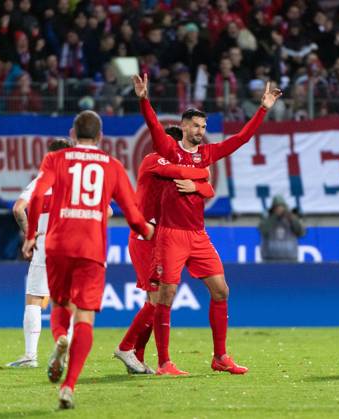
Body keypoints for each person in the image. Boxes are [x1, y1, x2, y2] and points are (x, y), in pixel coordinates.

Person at [133, 72, 281, 375]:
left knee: (221, 290)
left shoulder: (207, 154)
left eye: (204, 127)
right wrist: (143, 99)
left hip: (198, 235)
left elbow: (241, 139)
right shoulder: (168, 151)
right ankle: (164, 362)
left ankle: (220, 356)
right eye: (196, 126)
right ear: (184, 126)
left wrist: (263, 109)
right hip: (170, 235)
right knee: (166, 296)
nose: (201, 131)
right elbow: (153, 126)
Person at [22, 110, 153, 409]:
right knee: (85, 317)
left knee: (59, 306)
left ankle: (59, 341)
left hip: (56, 245)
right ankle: (69, 385)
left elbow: (39, 195)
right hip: (91, 248)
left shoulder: (56, 159)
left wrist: (31, 234)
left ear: (72, 134)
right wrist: (147, 231)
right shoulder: (112, 165)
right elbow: (132, 214)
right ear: (101, 136)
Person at [113, 126, 214, 374]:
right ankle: (126, 347)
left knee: (155, 301)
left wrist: (201, 181)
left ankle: (136, 355)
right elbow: (180, 171)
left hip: (159, 236)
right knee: (157, 299)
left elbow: (208, 190)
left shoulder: (173, 165)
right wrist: (202, 172)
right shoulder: (154, 159)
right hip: (144, 235)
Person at [6, 138, 71, 368]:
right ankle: (67, 353)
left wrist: (29, 235)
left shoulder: (42, 181)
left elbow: (18, 208)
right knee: (67, 301)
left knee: (34, 298)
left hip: (46, 245)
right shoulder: (79, 182)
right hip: (73, 246)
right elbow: (109, 210)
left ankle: (30, 356)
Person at [258, 195, 305, 262]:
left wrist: (291, 218)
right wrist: (274, 216)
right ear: (273, 208)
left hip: (291, 260)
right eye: (277, 207)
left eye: (281, 207)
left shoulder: (291, 218)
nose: (279, 209)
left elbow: (301, 233)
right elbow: (263, 230)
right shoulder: (267, 219)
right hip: (269, 260)